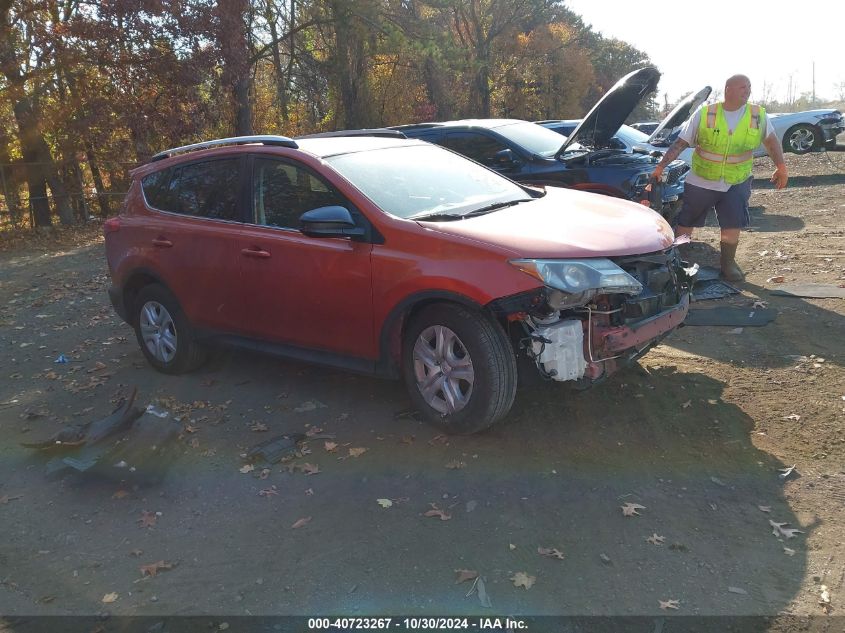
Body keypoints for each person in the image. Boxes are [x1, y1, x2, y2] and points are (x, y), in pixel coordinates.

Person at [652, 74, 788, 281]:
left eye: (749, 86)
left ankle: (728, 264)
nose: (748, 90)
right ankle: (677, 260)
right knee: (687, 221)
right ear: (728, 90)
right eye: (742, 87)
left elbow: (771, 142)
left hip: (737, 180)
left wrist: (781, 167)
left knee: (732, 222)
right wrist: (661, 166)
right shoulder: (706, 114)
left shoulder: (757, 115)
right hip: (702, 179)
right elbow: (680, 143)